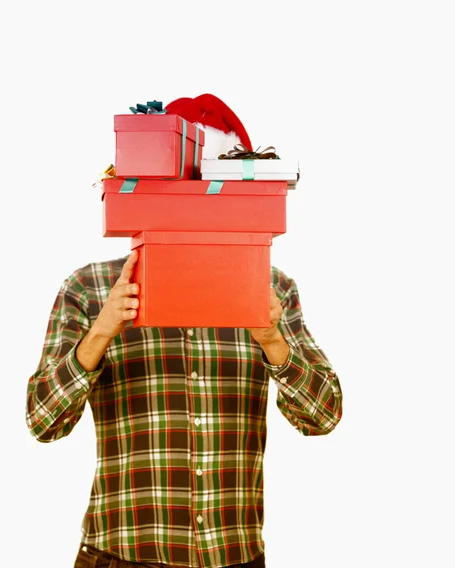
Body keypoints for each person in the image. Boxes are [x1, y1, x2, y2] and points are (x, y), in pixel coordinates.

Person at [25, 94, 343, 568]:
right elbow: (42, 422)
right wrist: (101, 331)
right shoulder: (90, 288)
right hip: (122, 555)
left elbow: (324, 417)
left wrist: (273, 340)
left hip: (233, 557)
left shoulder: (274, 289)